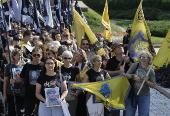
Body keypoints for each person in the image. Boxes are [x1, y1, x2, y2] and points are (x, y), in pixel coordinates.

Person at [12, 47, 44, 116]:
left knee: (41, 113)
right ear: (32, 55)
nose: (36, 57)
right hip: (29, 94)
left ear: (41, 55)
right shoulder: (27, 66)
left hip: (41, 94)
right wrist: (14, 81)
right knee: (28, 113)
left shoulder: (44, 66)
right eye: (34, 55)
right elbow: (22, 78)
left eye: (38, 55)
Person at [105, 42, 133, 116]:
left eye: (121, 46)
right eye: (118, 47)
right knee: (115, 110)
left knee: (127, 110)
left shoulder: (128, 58)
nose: (121, 47)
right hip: (116, 87)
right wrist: (118, 72)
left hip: (127, 87)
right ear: (114, 50)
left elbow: (135, 70)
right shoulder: (111, 61)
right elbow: (107, 72)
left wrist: (129, 62)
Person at [124, 51, 155, 116]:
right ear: (139, 58)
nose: (143, 59)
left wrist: (147, 81)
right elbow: (126, 74)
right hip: (132, 94)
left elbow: (153, 85)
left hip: (144, 96)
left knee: (144, 114)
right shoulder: (135, 65)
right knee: (129, 114)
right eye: (142, 57)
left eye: (146, 58)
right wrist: (133, 76)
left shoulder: (151, 70)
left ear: (149, 59)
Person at [4, 49, 25, 116]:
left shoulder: (24, 65)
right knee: (11, 111)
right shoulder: (9, 66)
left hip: (21, 92)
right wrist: (5, 94)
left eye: (21, 55)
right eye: (18, 55)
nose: (20, 57)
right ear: (13, 56)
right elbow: (5, 81)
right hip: (11, 92)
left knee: (20, 112)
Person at [59, 51, 80, 116]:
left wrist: (78, 91)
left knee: (72, 112)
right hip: (61, 94)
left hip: (72, 94)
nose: (67, 60)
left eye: (69, 58)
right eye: (65, 58)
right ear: (62, 58)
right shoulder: (58, 68)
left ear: (71, 59)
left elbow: (78, 81)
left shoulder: (75, 69)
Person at [73, 49, 92, 116]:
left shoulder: (88, 64)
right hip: (76, 88)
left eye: (77, 56)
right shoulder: (74, 65)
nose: (75, 58)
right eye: (74, 56)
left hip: (85, 88)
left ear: (82, 56)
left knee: (84, 106)